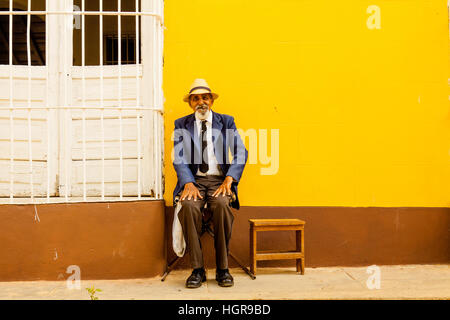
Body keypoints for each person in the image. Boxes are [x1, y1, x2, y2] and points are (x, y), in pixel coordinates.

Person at [172, 78, 248, 288]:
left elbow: (241, 152)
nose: (201, 102)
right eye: (195, 99)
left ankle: (223, 269)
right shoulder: (182, 124)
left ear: (211, 101)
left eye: (205, 97)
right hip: (194, 181)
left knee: (223, 206)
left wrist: (230, 179)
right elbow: (178, 158)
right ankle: (197, 269)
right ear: (190, 103)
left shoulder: (226, 121)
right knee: (188, 207)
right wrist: (187, 182)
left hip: (219, 181)